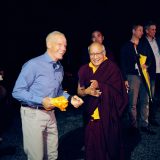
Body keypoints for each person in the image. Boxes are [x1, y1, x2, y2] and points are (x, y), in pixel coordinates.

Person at [12, 31, 84, 160]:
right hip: (33, 114)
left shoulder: (59, 67)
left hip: (50, 114)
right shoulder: (33, 65)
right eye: (59, 44)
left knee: (52, 154)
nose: (63, 48)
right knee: (37, 156)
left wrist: (70, 98)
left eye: (65, 45)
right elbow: (17, 91)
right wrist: (40, 100)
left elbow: (59, 91)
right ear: (49, 44)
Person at [77, 42, 128, 160]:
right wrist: (87, 92)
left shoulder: (112, 68)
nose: (95, 57)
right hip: (91, 119)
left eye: (98, 53)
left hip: (109, 118)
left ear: (104, 53)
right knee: (92, 151)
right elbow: (79, 91)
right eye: (92, 54)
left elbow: (121, 95)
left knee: (109, 152)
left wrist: (100, 85)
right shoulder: (84, 69)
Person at [120, 24, 156, 135]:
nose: (141, 32)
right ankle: (133, 126)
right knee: (133, 103)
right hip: (132, 76)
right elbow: (122, 63)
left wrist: (147, 65)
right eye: (139, 30)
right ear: (133, 31)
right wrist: (125, 78)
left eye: (141, 30)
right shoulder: (126, 46)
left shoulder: (144, 45)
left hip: (144, 76)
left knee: (145, 100)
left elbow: (150, 58)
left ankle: (145, 125)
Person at [140, 21, 160, 126]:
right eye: (152, 29)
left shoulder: (158, 41)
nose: (154, 31)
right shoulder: (143, 43)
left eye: (155, 29)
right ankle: (151, 118)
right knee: (151, 96)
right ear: (147, 31)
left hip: (159, 72)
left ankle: (154, 116)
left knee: (157, 96)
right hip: (151, 73)